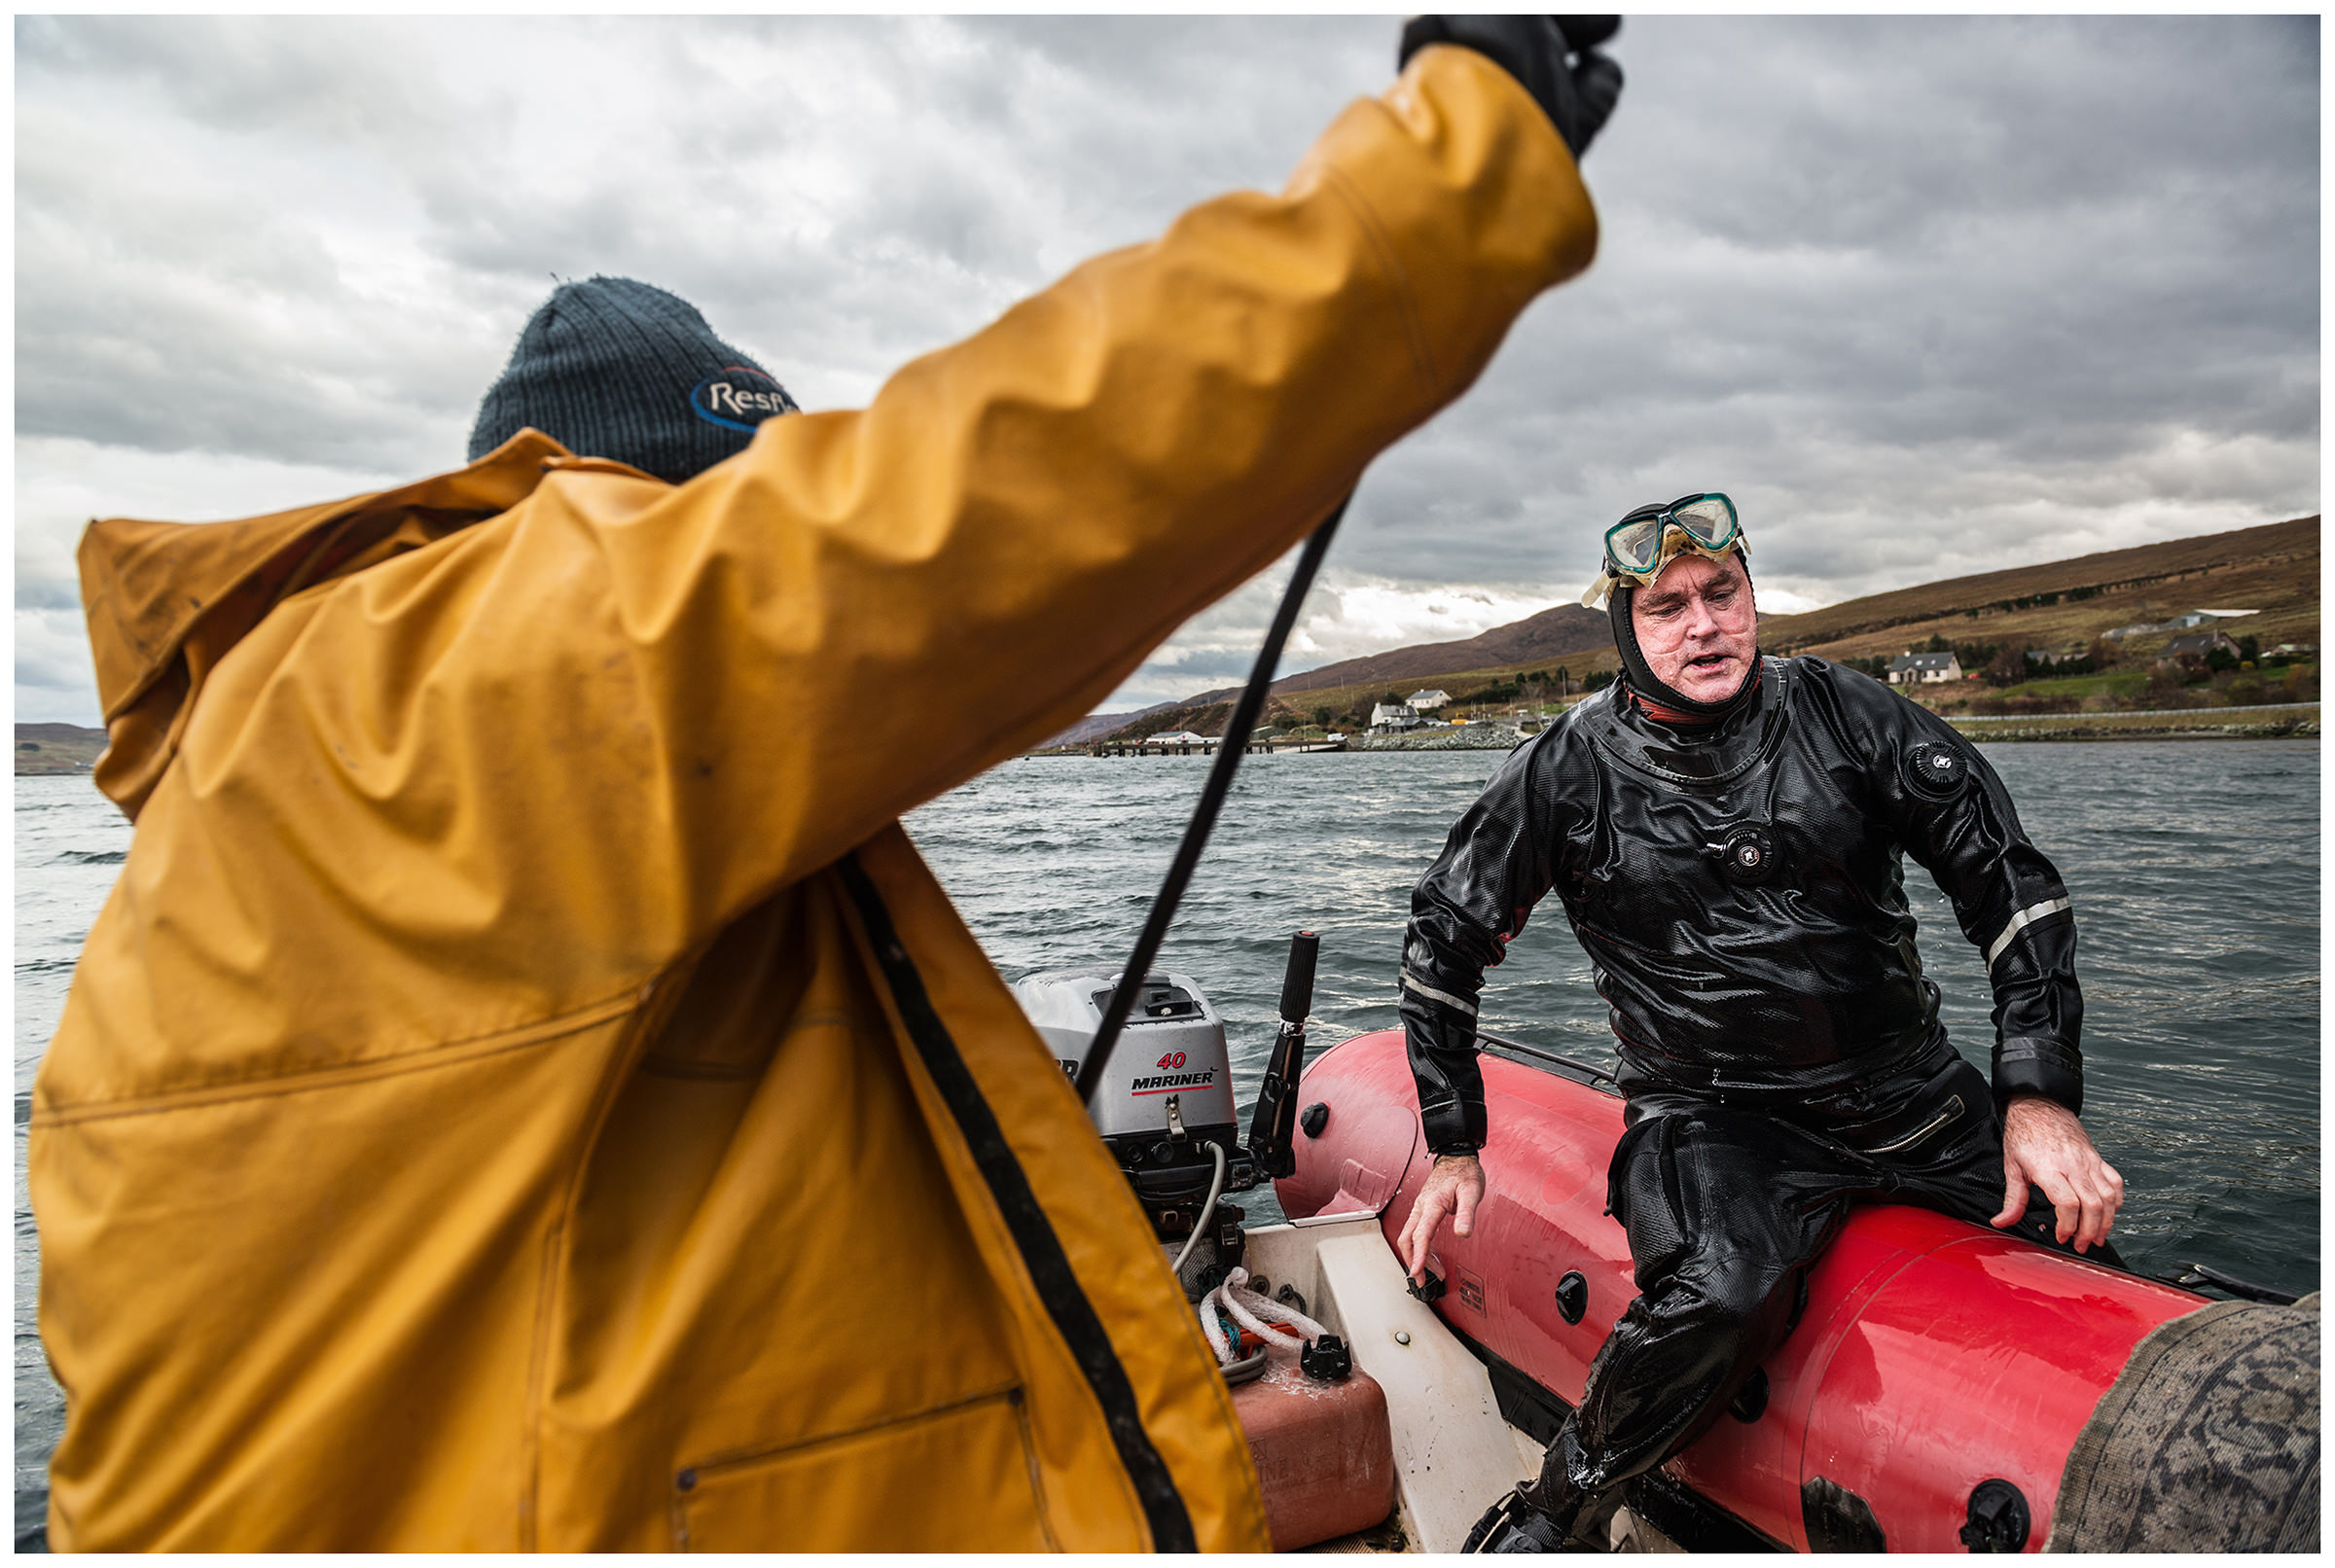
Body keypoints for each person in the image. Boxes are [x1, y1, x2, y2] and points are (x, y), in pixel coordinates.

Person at [30, 18, 1622, 1551]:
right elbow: (999, 496)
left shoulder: (267, 789)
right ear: (656, 522)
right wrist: (1460, 152)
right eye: (752, 517)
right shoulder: (492, 662)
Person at [1390, 494, 2127, 1552]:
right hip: (1717, 1117)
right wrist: (1454, 1139)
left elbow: (2011, 882)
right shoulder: (1567, 768)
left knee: (2091, 1258)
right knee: (1721, 1292)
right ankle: (1556, 1511)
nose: (1704, 624)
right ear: (1627, 631)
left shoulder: (1847, 713)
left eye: (1722, 593)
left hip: (1908, 1096)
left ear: (1752, 595)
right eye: (1668, 606)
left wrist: (2041, 1094)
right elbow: (1444, 932)